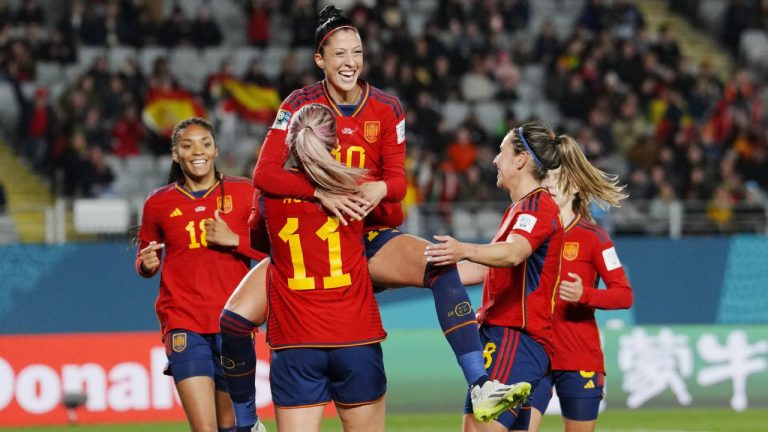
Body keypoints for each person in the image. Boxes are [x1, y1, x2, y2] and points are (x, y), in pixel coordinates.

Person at [219, 5, 528, 428]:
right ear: (320, 60)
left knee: (441, 265)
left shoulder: (386, 107)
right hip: (313, 236)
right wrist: (322, 194)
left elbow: (398, 186)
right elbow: (264, 174)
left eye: (357, 53)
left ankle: (480, 383)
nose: (350, 63)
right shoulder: (300, 104)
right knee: (234, 319)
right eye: (340, 54)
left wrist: (380, 187)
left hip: (368, 237)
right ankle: (245, 422)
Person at [424, 122, 586, 431]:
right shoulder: (520, 209)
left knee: (478, 428)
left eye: (502, 151)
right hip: (508, 338)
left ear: (521, 160)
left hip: (515, 337)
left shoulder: (538, 207)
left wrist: (464, 248)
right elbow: (490, 267)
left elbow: (513, 253)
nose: (495, 160)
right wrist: (424, 273)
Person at [249, 103, 387, 432]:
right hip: (355, 336)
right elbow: (392, 219)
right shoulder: (356, 187)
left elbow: (257, 242)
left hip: (295, 341)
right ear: (336, 144)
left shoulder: (268, 197)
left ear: (291, 144)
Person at [134, 117, 266, 432]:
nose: (198, 151)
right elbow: (144, 260)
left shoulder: (244, 192)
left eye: (205, 143)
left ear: (216, 150)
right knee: (204, 428)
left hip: (233, 323)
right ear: (175, 154)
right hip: (183, 321)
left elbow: (275, 253)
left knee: (229, 427)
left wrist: (233, 240)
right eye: (188, 145)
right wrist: (146, 265)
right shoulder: (158, 202)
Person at [528, 149, 633, 432]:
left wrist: (584, 294)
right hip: (534, 353)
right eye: (545, 178)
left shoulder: (594, 237)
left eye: (558, 178)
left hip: (578, 356)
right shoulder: (529, 233)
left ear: (574, 187)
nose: (549, 184)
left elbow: (624, 295)